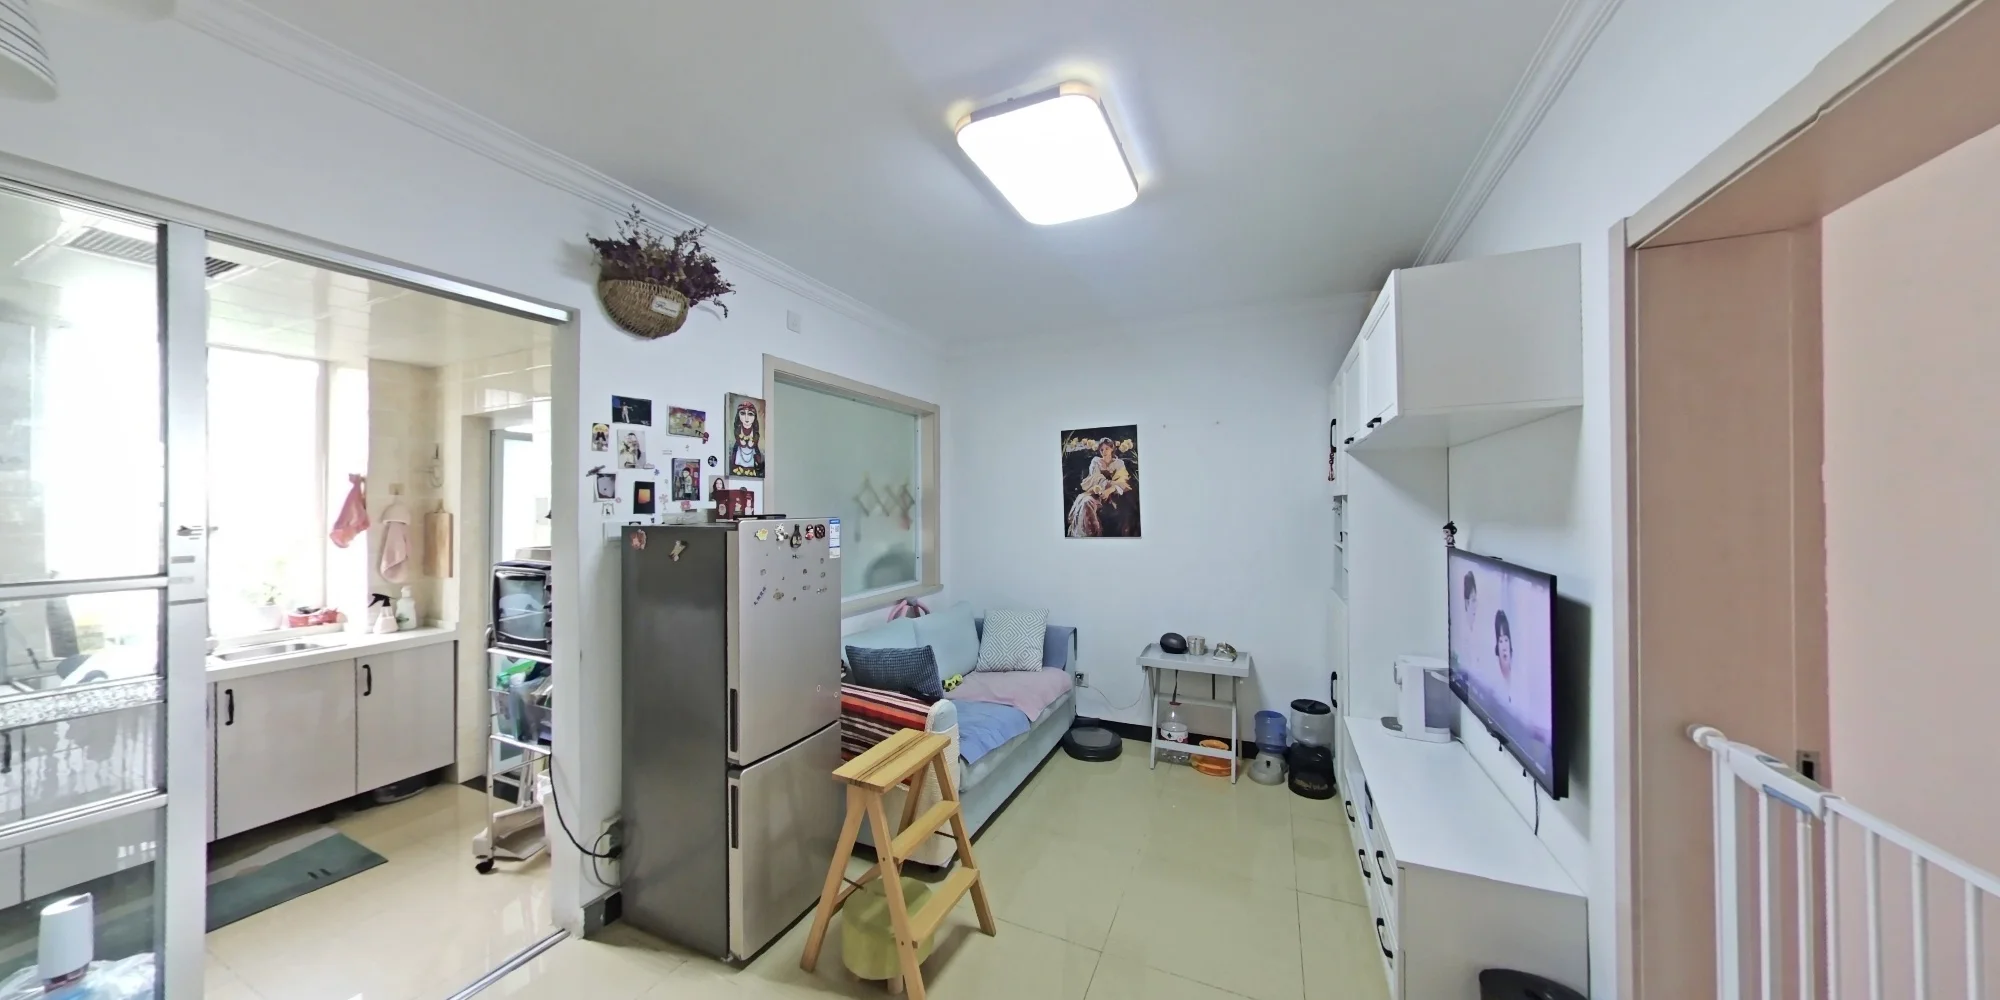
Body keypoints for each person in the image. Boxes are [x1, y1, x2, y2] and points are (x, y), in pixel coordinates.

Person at [1066, 437, 1134, 537]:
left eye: (1107, 449)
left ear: (1112, 448)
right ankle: (1091, 534)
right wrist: (1108, 485)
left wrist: (1111, 489)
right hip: (1097, 493)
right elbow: (1095, 479)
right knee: (1086, 501)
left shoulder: (1119, 463)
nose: (1104, 452)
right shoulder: (1096, 461)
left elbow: (1122, 482)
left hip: (1114, 495)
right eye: (1101, 449)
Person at [729, 400, 763, 478]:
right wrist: (742, 441)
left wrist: (752, 442)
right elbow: (739, 440)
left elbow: (754, 441)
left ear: (755, 416)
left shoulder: (755, 431)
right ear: (738, 415)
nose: (746, 418)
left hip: (751, 453)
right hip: (740, 451)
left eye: (750, 414)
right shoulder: (738, 428)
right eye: (743, 413)